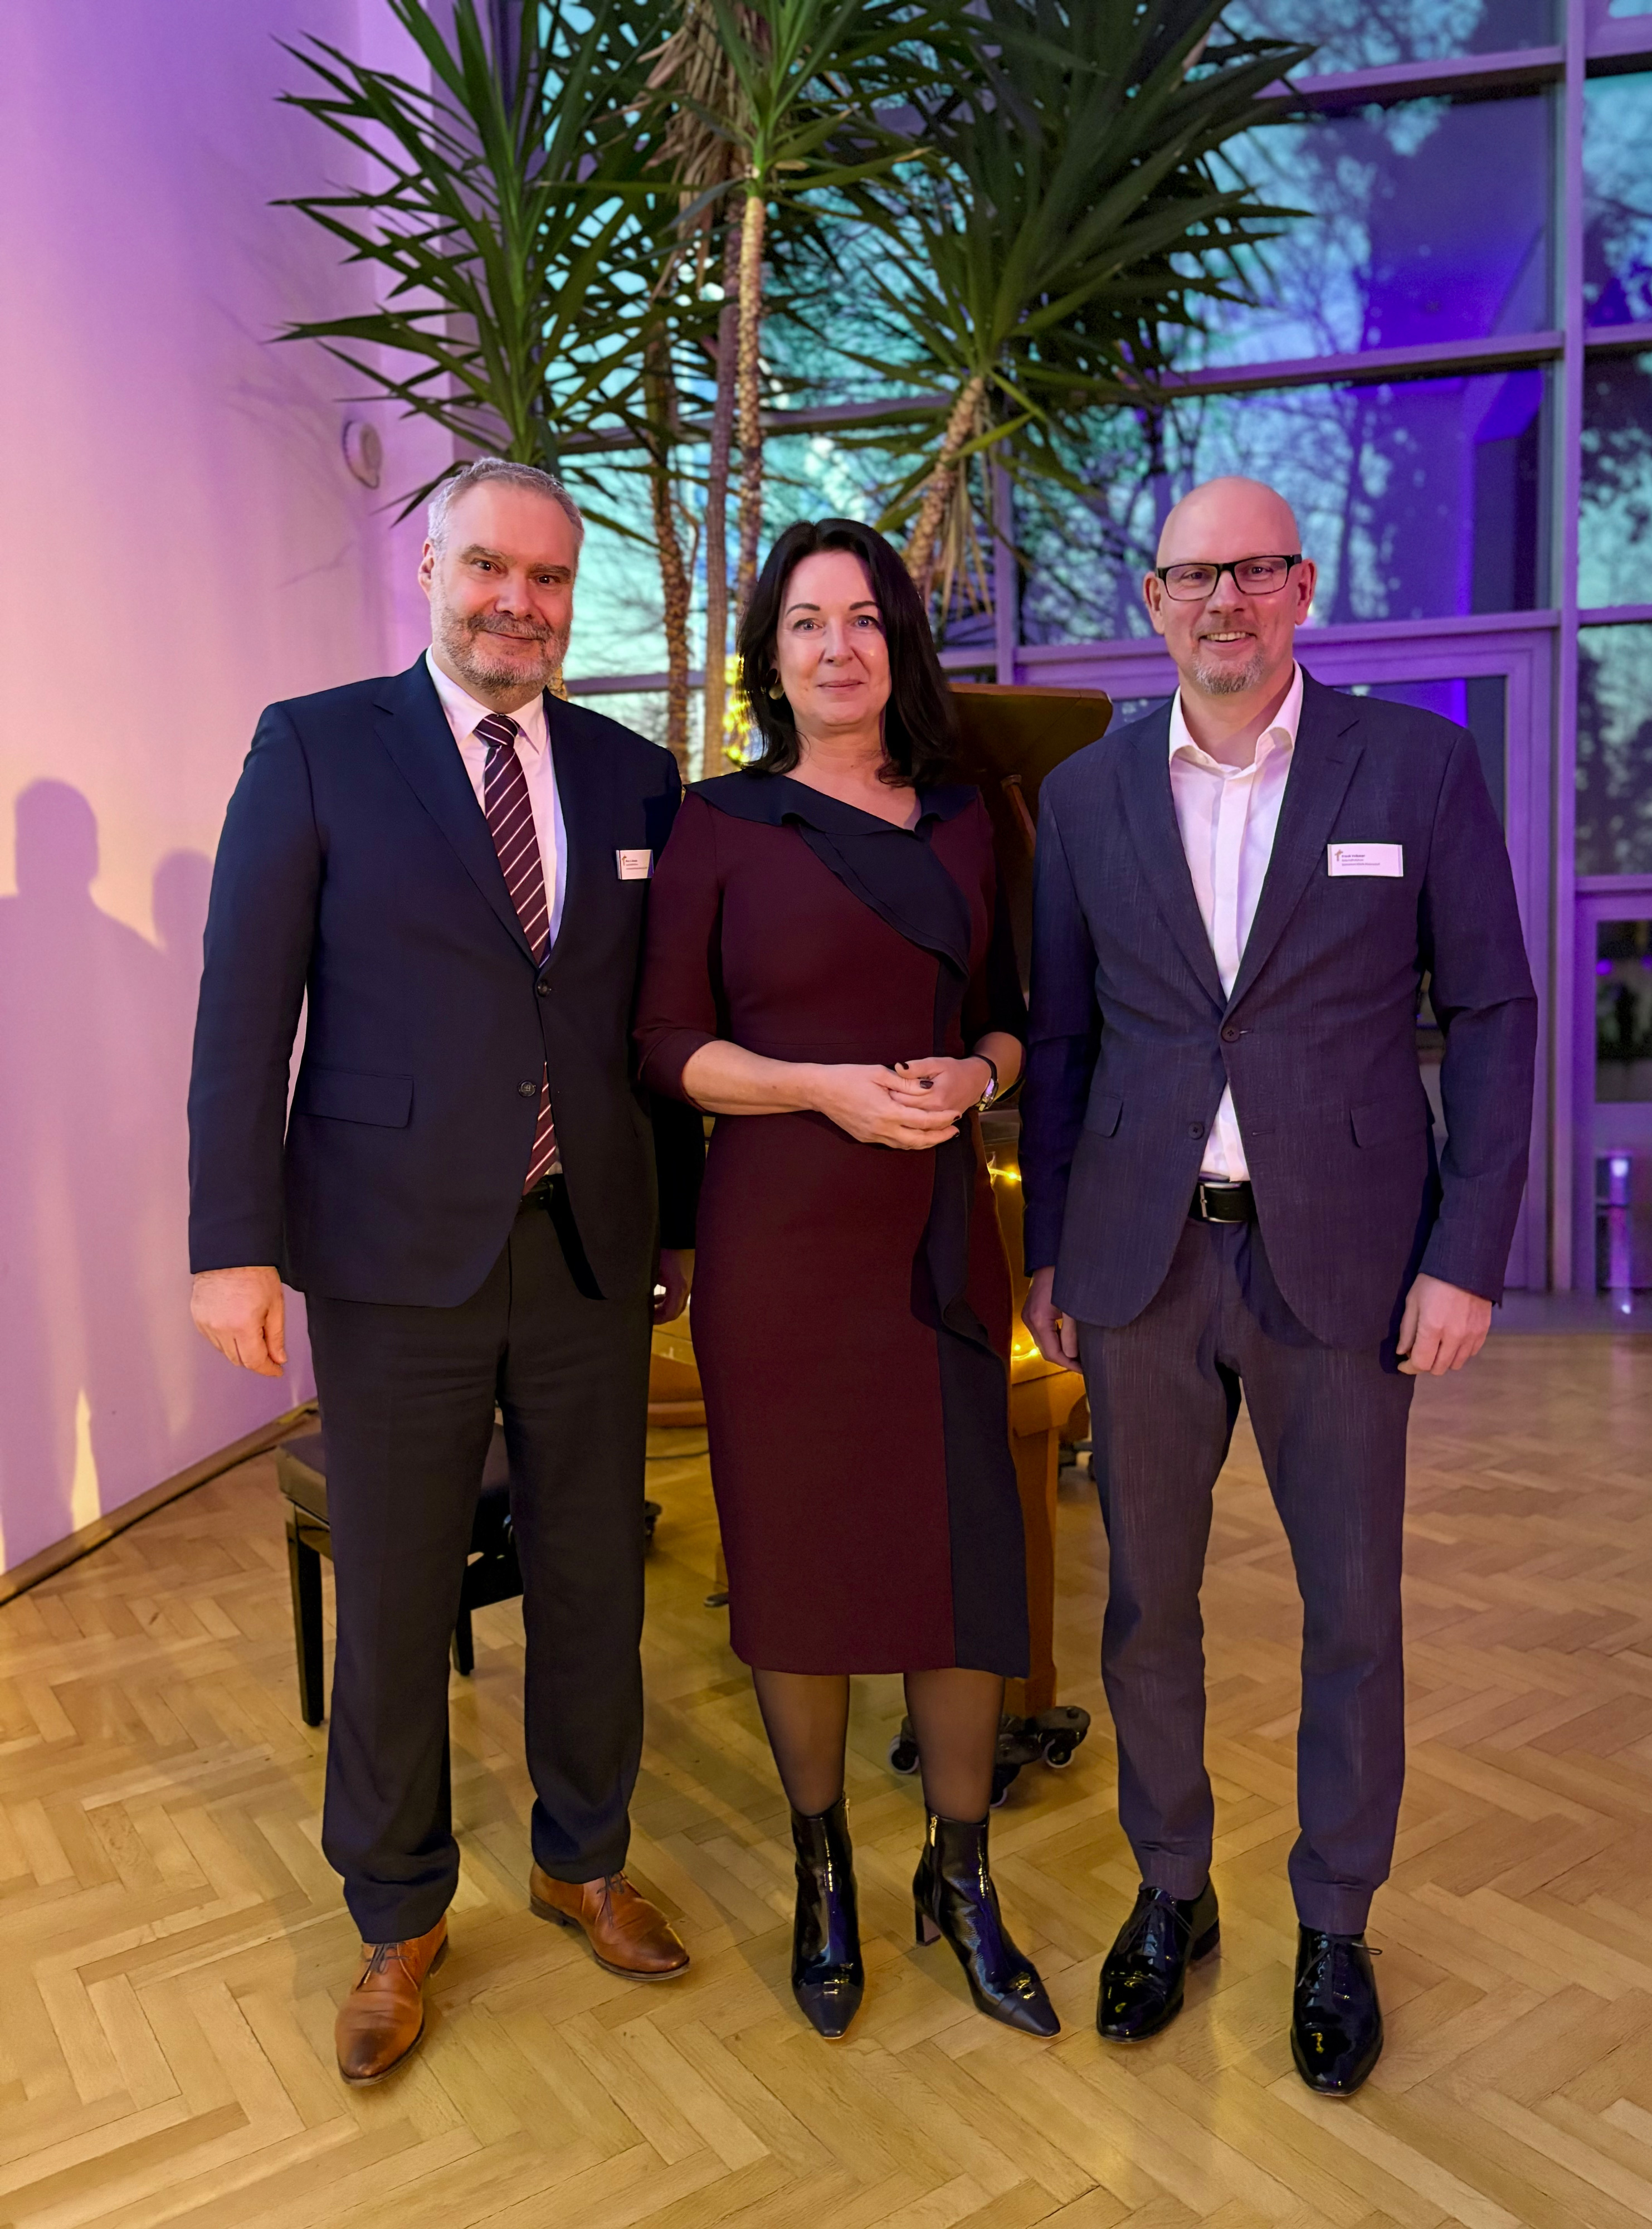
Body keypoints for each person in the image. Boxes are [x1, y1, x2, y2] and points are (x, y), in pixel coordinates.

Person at [188, 458, 705, 2084]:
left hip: (584, 1251)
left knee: (592, 1578)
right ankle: (397, 1912)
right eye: (492, 569)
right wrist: (231, 1244)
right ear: (432, 566)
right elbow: (241, 1006)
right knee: (399, 1594)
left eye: (549, 582)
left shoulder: (635, 778)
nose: (519, 606)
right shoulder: (319, 746)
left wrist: (673, 1224)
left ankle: (580, 1856)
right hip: (388, 1250)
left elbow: (648, 1030)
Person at [1021, 476, 1536, 2096]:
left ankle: (1334, 1920)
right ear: (1154, 600)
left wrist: (1467, 1254)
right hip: (1144, 1258)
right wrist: (1051, 1249)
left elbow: (1503, 1018)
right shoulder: (1090, 796)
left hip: (1348, 1265)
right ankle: (1173, 1891)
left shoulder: (1417, 767)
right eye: (1193, 577)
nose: (1225, 601)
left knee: (1353, 1616)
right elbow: (1066, 1032)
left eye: (1255, 571)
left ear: (1303, 586)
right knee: (1145, 1604)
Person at [633, 518, 1058, 2043]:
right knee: (802, 1576)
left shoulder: (968, 818)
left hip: (937, 1236)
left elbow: (1017, 1021)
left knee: (958, 1569)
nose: (837, 646)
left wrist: (973, 1068)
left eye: (865, 619)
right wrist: (825, 1089)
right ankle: (824, 1876)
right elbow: (670, 1047)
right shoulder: (713, 824)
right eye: (807, 621)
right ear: (772, 653)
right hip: (781, 1248)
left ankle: (963, 1877)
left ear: (900, 646)